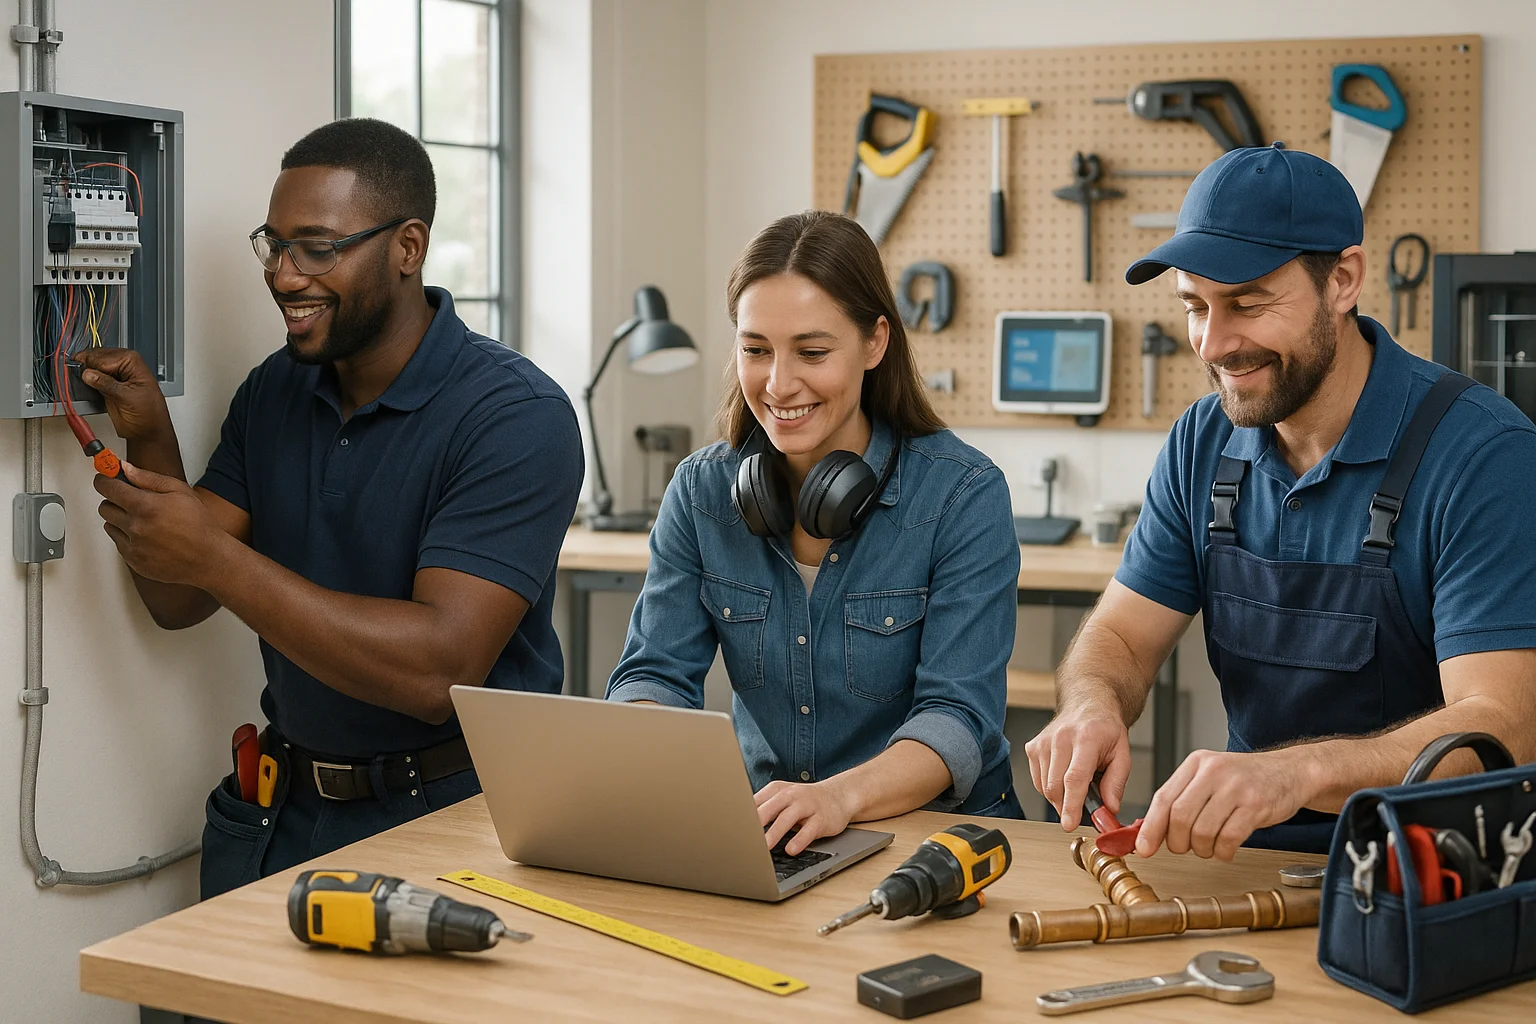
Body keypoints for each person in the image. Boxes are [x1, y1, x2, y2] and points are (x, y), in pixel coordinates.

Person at [79, 118, 583, 898]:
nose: (285, 276)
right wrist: (149, 436)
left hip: (459, 816)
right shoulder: (273, 391)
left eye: (317, 248)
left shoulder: (516, 416)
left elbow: (439, 672)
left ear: (408, 247)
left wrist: (216, 558)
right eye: (274, 246)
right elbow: (177, 598)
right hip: (283, 810)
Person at [1026, 142, 1536, 858]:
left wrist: (1297, 773)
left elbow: (1501, 727)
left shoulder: (1484, 455)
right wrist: (1091, 704)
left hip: (1429, 871)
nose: (1213, 343)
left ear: (1343, 280)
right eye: (1195, 306)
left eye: (1248, 303)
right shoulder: (1202, 440)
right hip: (1243, 862)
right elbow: (1121, 637)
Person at [606, 211, 1022, 856]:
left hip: (941, 839)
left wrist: (837, 798)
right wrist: (644, 739)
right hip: (774, 835)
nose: (778, 384)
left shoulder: (962, 494)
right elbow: (655, 674)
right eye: (756, 350)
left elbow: (959, 719)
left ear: (875, 342)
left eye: (812, 352)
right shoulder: (701, 490)